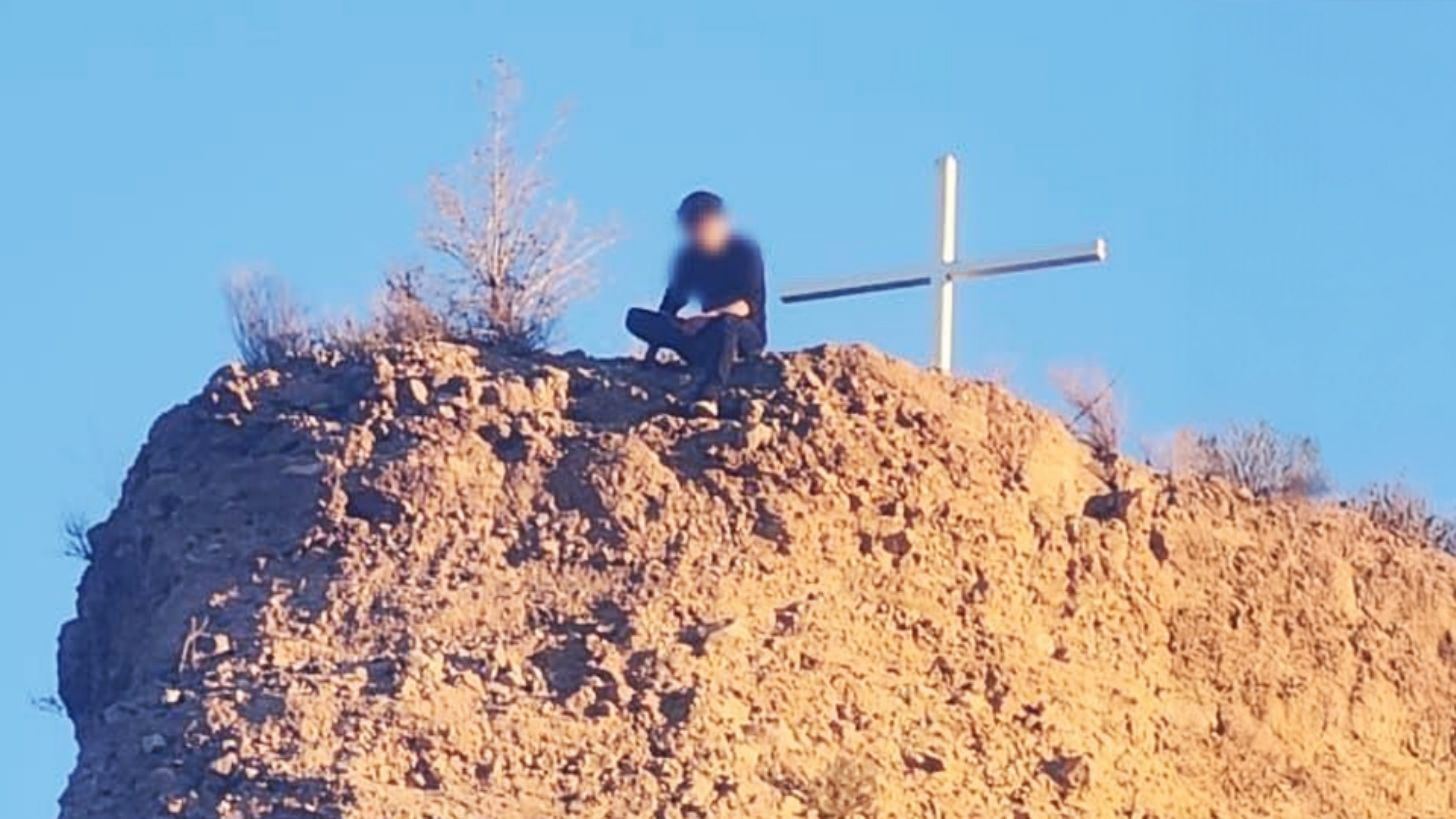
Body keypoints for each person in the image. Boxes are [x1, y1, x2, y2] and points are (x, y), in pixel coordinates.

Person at [625, 190, 767, 417]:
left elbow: (748, 305)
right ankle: (700, 354)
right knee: (636, 317)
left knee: (727, 324)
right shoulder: (688, 258)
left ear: (718, 222)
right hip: (703, 335)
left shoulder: (744, 251)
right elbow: (670, 305)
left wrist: (708, 318)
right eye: (689, 227)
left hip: (742, 333)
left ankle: (710, 395)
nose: (695, 232)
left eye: (700, 224)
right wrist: (655, 349)